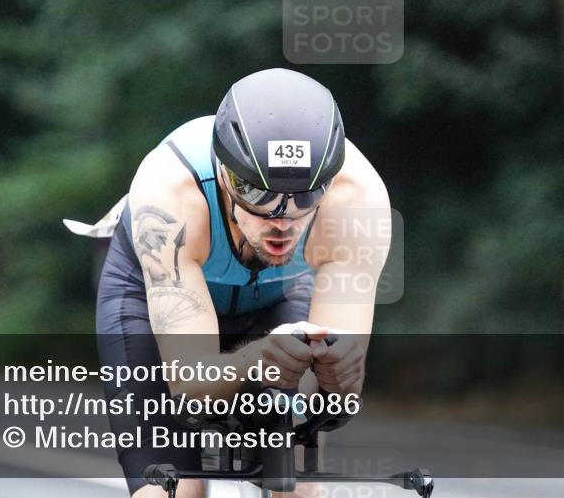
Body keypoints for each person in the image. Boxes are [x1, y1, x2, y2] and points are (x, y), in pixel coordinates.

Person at [67, 68, 391, 498]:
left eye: (306, 197)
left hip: (278, 295)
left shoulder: (356, 199)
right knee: (174, 490)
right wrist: (256, 361)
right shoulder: (171, 193)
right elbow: (189, 381)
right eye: (257, 194)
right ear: (223, 173)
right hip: (154, 298)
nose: (282, 222)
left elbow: (335, 400)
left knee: (295, 484)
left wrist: (334, 378)